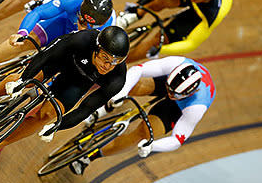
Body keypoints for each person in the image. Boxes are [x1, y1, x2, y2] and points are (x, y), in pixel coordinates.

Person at [0, 26, 130, 167]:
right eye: (105, 58)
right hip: (61, 60)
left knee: (47, 115)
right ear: (96, 48)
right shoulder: (83, 40)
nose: (108, 66)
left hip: (76, 83)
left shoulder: (117, 79)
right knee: (24, 80)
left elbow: (85, 109)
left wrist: (56, 126)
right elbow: (46, 56)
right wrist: (24, 80)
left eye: (115, 62)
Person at [69, 55, 216, 175]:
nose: (169, 94)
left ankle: (90, 157)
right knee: (134, 85)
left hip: (179, 107)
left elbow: (177, 139)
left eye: (174, 93)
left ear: (191, 93)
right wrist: (122, 93)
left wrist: (152, 146)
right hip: (171, 83)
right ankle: (103, 109)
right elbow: (138, 70)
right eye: (169, 90)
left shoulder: (196, 107)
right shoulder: (176, 63)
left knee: (143, 133)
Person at [0, 0, 116, 86]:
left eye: (87, 23)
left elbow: (92, 60)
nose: (82, 22)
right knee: (24, 41)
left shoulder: (107, 32)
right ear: (81, 6)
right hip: (62, 24)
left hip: (84, 43)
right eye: (81, 17)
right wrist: (22, 32)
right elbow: (39, 13)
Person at [116, 0, 233, 62]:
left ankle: (118, 63)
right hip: (197, 0)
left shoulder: (212, 14)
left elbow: (191, 43)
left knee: (157, 41)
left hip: (200, 14)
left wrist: (161, 49)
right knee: (163, 0)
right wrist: (137, 7)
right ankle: (130, 18)